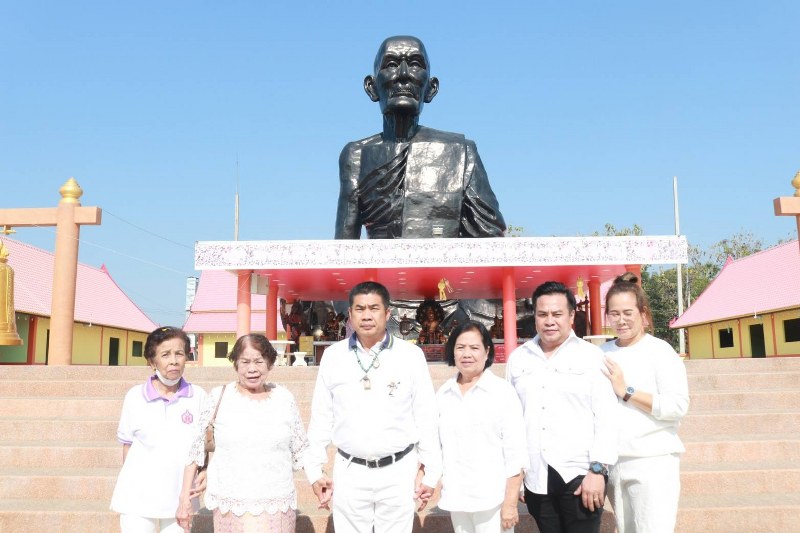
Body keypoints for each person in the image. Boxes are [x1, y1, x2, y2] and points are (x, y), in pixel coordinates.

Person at [335, 35, 506, 239]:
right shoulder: (356, 155)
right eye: (391, 65)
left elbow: (489, 238)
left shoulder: (461, 152)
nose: (403, 75)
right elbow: (343, 247)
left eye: (415, 64)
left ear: (431, 89)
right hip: (380, 261)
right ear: (371, 88)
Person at [305, 281, 442, 533]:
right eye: (360, 309)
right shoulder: (334, 356)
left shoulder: (410, 356)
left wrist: (430, 471)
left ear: (387, 313)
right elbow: (321, 417)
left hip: (398, 471)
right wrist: (314, 470)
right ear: (350, 314)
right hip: (350, 471)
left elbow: (426, 416)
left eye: (374, 308)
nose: (366, 315)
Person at [506, 281, 618, 533]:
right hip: (536, 475)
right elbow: (512, 421)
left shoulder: (592, 357)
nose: (549, 321)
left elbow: (607, 417)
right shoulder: (519, 358)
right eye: (542, 314)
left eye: (557, 314)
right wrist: (517, 478)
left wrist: (598, 470)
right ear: (534, 316)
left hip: (580, 474)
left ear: (571, 316)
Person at [175, 334, 310, 532]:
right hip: (232, 504)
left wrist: (318, 477)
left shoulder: (284, 398)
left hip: (277, 503)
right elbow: (196, 449)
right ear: (235, 365)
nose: (252, 369)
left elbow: (301, 447)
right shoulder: (219, 397)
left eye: (259, 361)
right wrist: (184, 498)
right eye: (245, 362)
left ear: (270, 364)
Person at [600, 273, 690, 533]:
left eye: (628, 312)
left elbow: (677, 406)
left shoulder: (660, 351)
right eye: (614, 313)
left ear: (643, 313)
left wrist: (626, 391)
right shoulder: (601, 353)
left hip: (653, 459)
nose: (621, 320)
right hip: (614, 462)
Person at [110, 326, 207, 533]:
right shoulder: (134, 397)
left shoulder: (198, 396)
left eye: (179, 353)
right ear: (152, 361)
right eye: (165, 355)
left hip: (180, 499)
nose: (174, 360)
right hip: (137, 497)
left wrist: (204, 470)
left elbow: (202, 445)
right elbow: (127, 446)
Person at [437, 320, 528, 533]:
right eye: (460, 347)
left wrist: (510, 503)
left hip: (492, 500)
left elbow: (516, 452)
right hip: (457, 497)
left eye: (474, 347)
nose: (466, 354)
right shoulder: (444, 393)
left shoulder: (502, 392)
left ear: (487, 352)